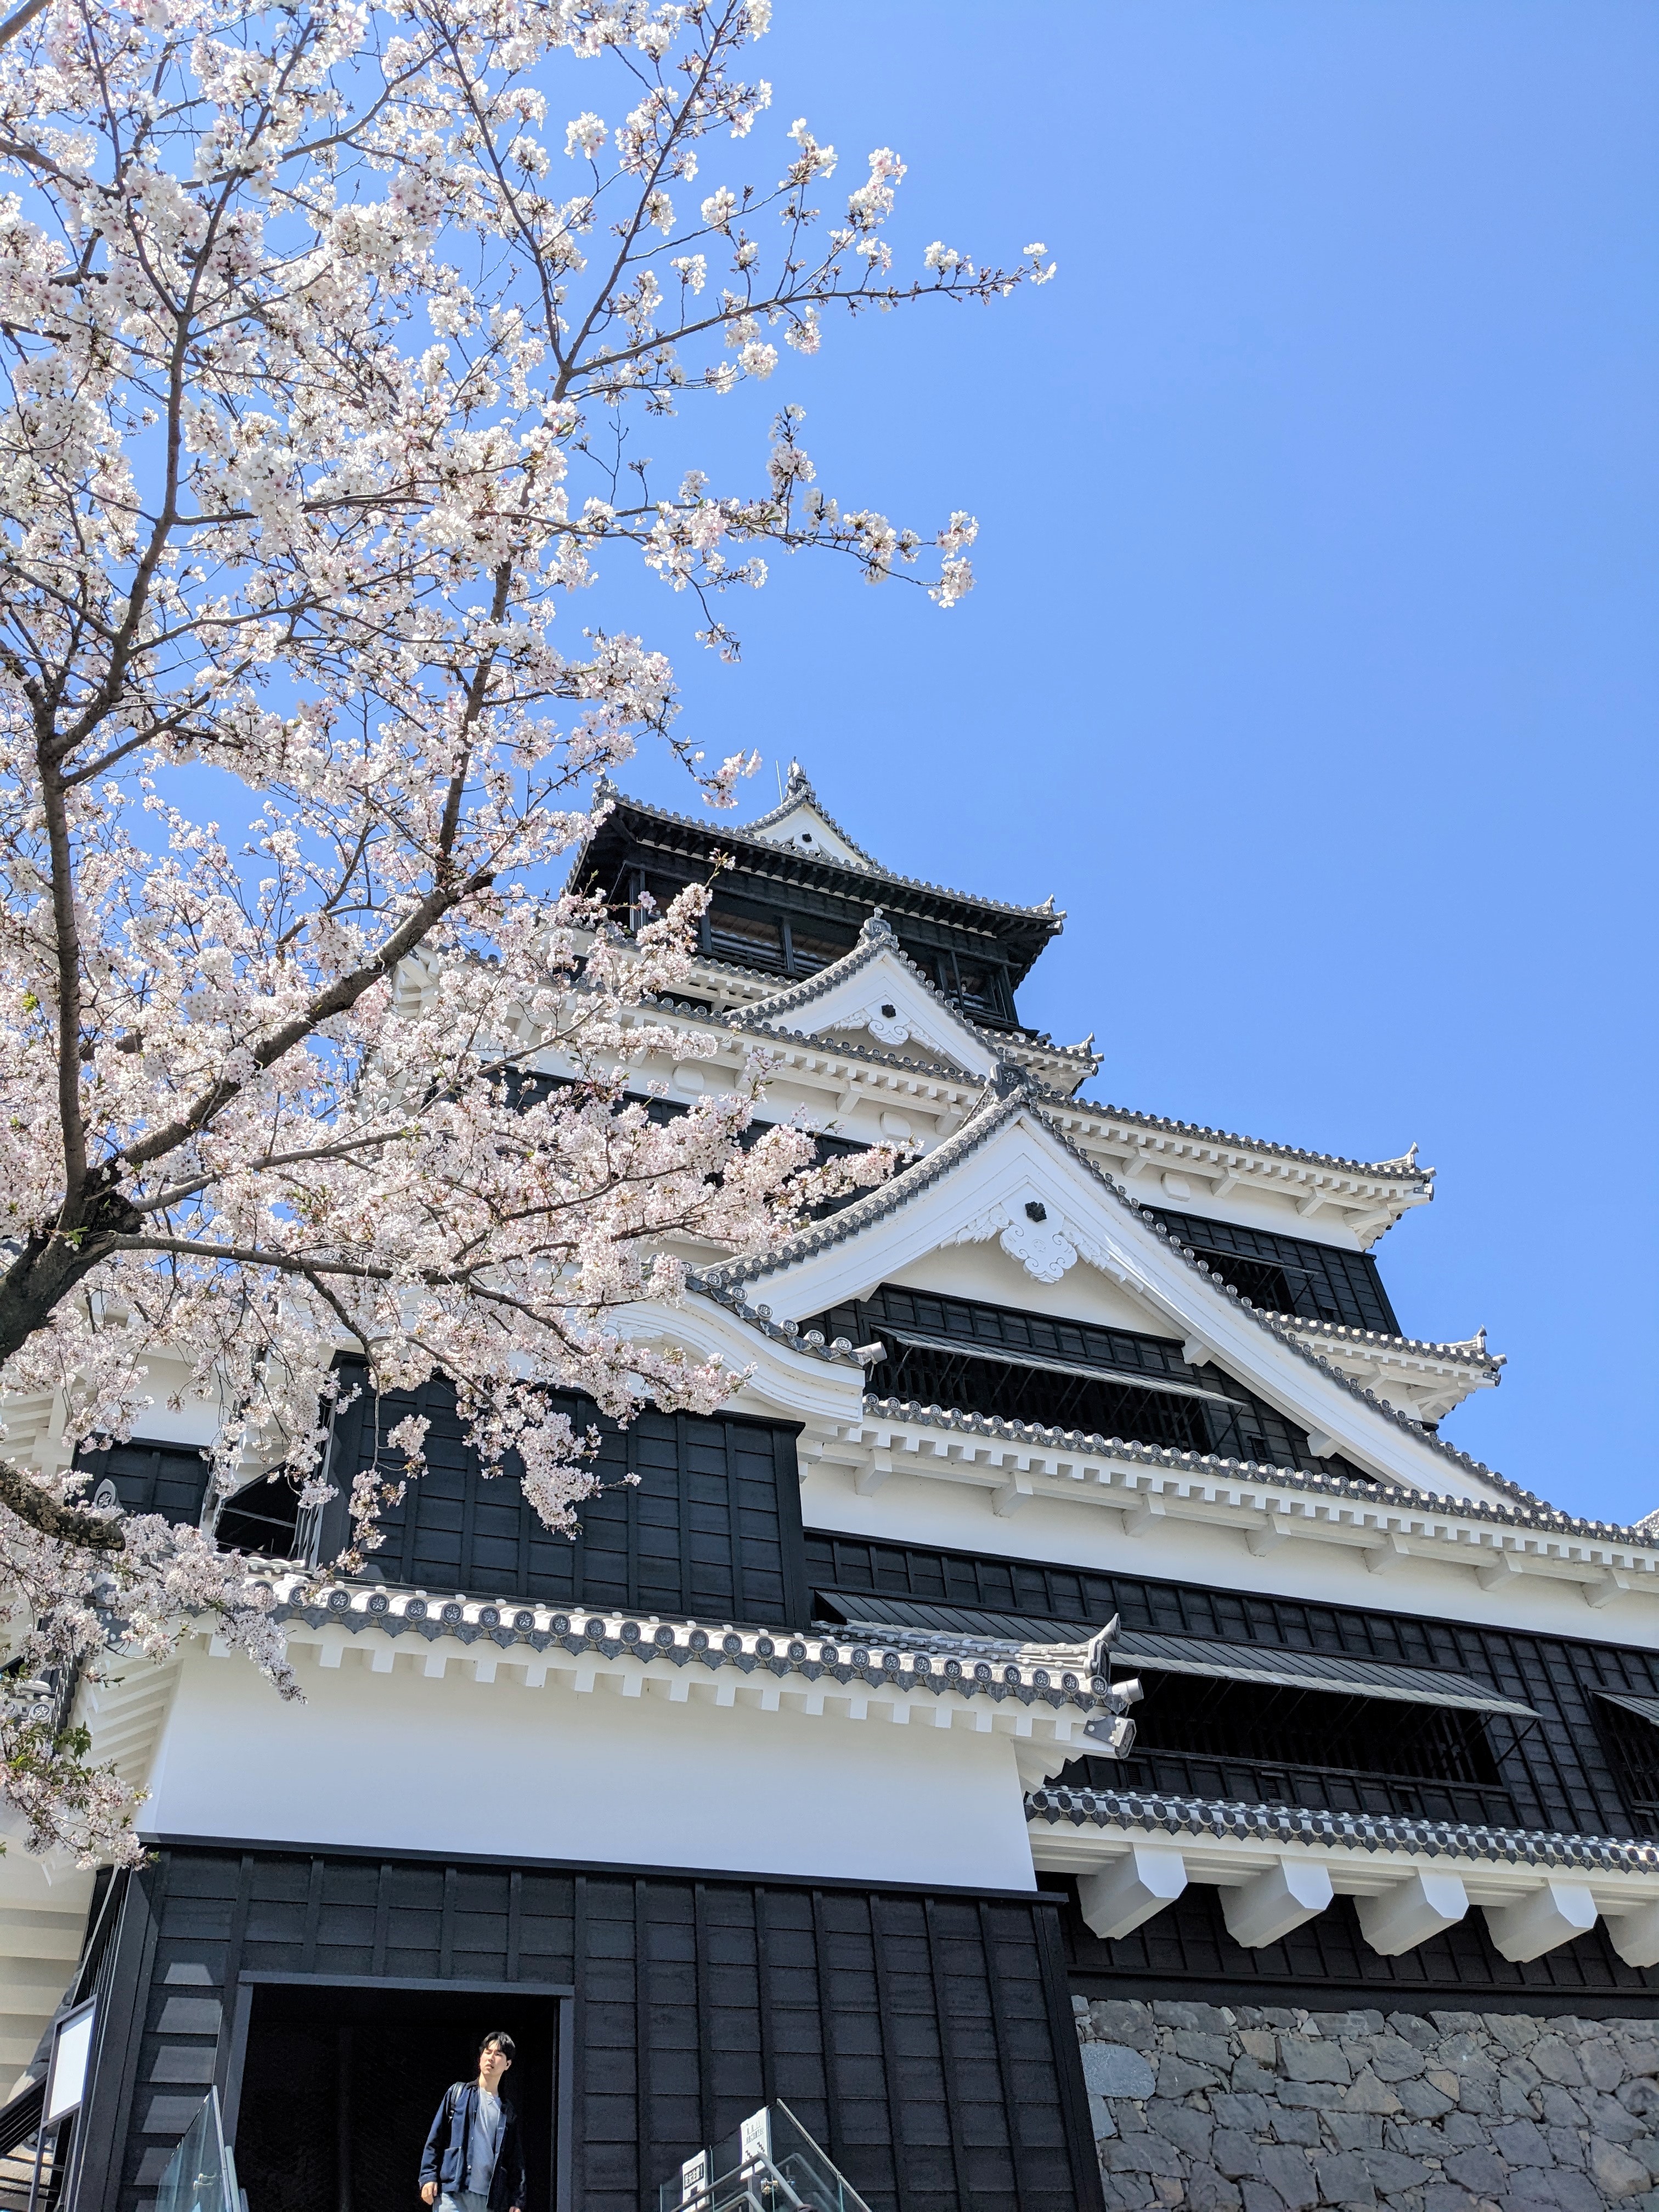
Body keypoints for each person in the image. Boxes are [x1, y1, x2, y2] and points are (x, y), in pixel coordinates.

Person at [419, 2032, 526, 2212]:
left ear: (508, 2064)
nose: (491, 2058)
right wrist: (428, 2177)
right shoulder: (458, 2094)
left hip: (488, 2199)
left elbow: (515, 2160)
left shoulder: (507, 2111)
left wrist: (517, 2201)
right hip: (453, 2193)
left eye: (498, 2054)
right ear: (481, 2057)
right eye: (488, 2052)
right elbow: (435, 2139)